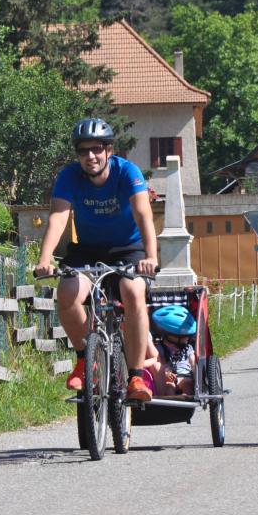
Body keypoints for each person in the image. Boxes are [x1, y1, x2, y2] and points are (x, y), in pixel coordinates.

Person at [34, 118, 160, 402]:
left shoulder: (127, 172)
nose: (90, 156)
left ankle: (137, 375)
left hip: (127, 249)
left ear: (109, 150)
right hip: (88, 250)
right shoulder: (69, 176)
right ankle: (84, 358)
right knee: (67, 293)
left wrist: (151, 256)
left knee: (132, 292)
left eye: (96, 149)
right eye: (83, 151)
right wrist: (44, 259)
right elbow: (58, 217)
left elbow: (143, 215)